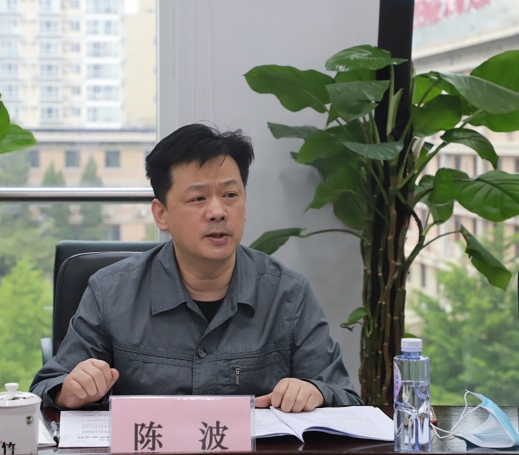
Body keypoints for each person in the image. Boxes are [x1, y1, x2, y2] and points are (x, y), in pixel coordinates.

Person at [30, 123, 363, 412]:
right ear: (161, 214)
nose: (218, 211)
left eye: (230, 194)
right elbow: (49, 386)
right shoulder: (111, 291)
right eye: (198, 198)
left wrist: (315, 391)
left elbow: (345, 397)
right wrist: (70, 391)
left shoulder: (288, 294)